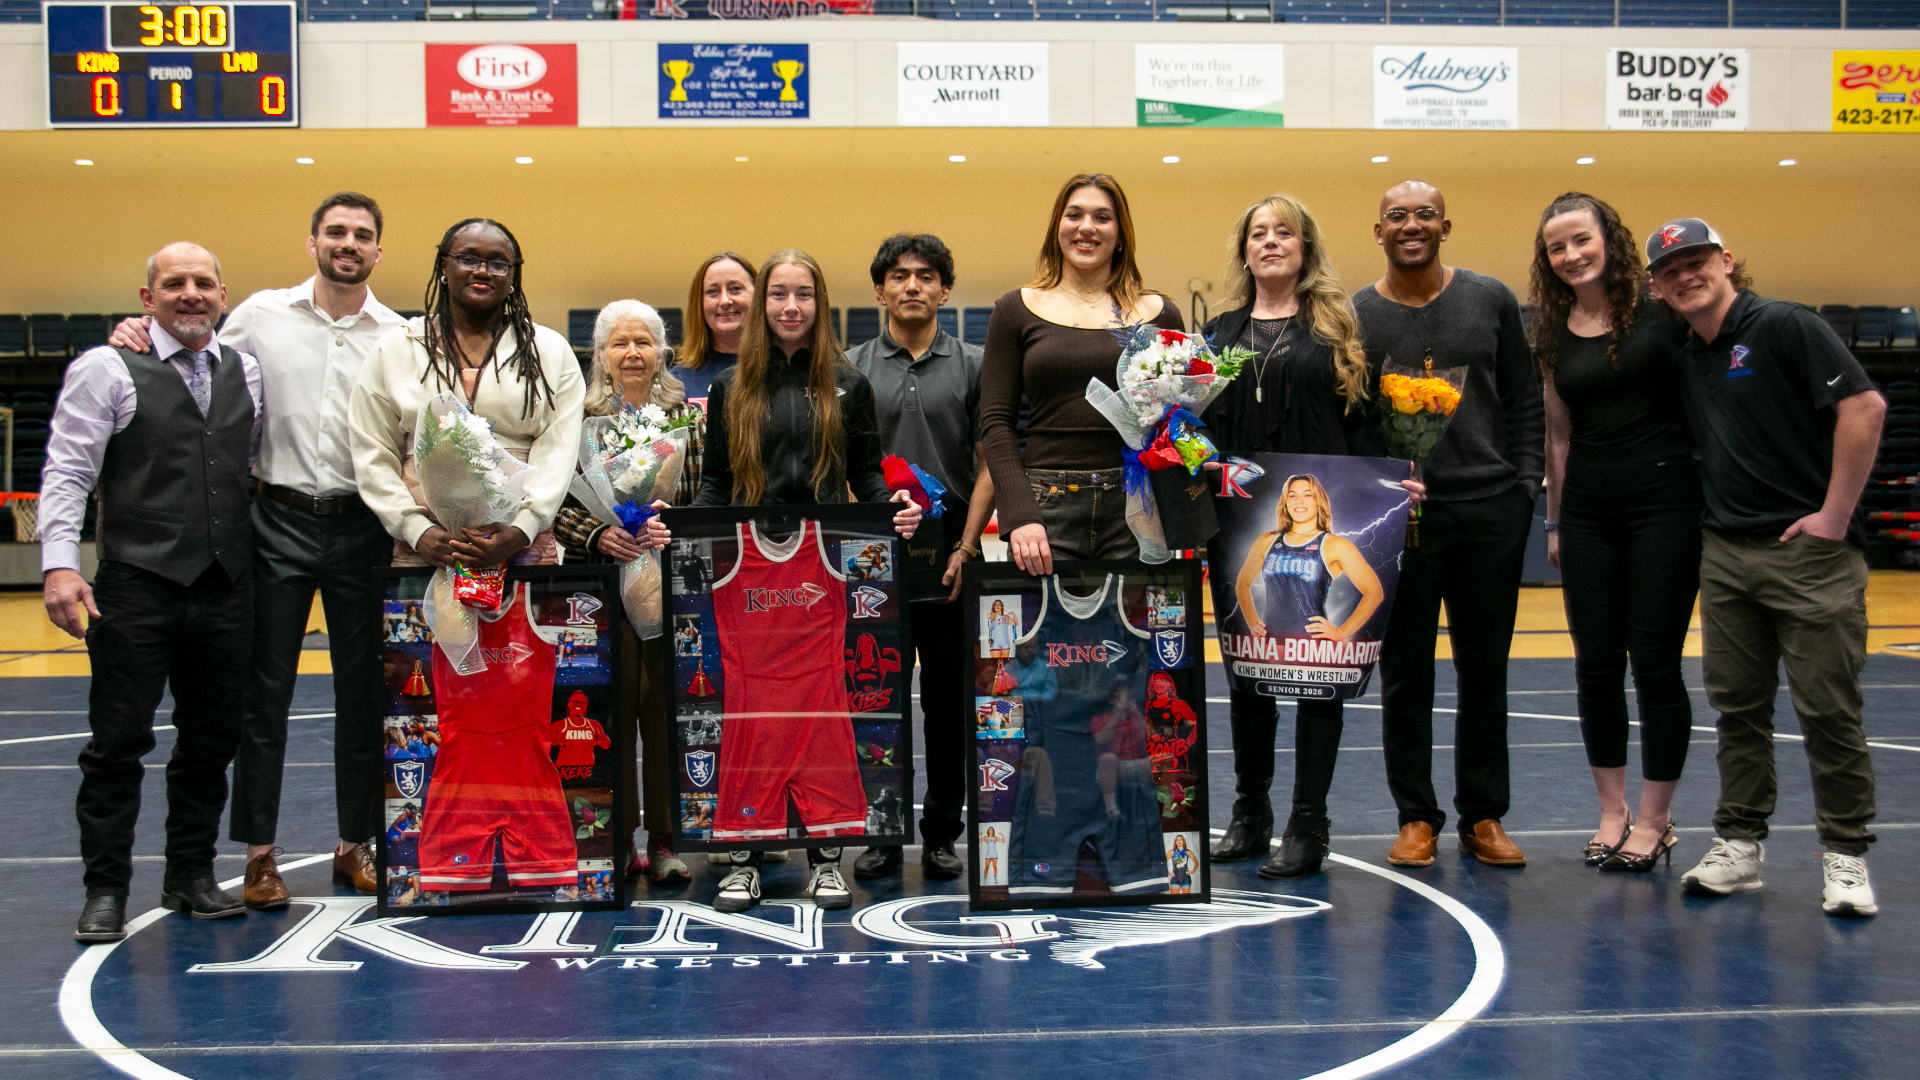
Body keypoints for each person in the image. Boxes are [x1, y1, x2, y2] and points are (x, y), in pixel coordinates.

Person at [106, 192, 406, 909]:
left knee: (363, 695)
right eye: (335, 231)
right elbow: (193, 352)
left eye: (362, 235)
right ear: (312, 243)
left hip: (363, 525)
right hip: (274, 521)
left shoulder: (400, 335)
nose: (348, 243)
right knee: (262, 696)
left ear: (378, 251)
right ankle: (260, 855)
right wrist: (135, 328)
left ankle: (356, 843)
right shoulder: (259, 316)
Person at [1647, 219, 1887, 917]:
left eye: (1696, 261)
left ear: (1726, 261)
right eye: (1670, 271)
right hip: (1727, 552)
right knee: (1738, 710)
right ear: (1657, 289)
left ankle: (1846, 854)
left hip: (1809, 554)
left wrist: (1834, 517)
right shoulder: (1687, 354)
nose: (1685, 276)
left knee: (1828, 710)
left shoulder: (1785, 325)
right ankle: (1739, 843)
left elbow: (1865, 408)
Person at [691, 248, 923, 914]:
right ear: (763, 304)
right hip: (749, 571)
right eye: (779, 294)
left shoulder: (849, 385)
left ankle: (826, 861)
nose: (791, 307)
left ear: (820, 304)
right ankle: (744, 861)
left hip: (821, 569)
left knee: (821, 712)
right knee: (753, 715)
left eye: (804, 295)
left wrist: (893, 507)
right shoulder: (730, 388)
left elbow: (867, 474)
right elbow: (715, 484)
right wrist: (676, 523)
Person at [44, 242, 264, 941]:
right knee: (117, 742)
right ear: (148, 299)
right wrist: (59, 565)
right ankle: (106, 889)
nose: (190, 293)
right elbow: (68, 471)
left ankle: (190, 874)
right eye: (174, 284)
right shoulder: (105, 367)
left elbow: (242, 463)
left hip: (225, 585)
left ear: (223, 295)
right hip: (135, 583)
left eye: (203, 283)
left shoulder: (246, 372)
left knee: (210, 741)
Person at [1202, 193, 1417, 880]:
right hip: (1241, 521)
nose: (1270, 241)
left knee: (1320, 679)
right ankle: (1250, 814)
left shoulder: (1337, 329)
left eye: (1284, 232)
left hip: (1322, 514)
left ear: (1305, 248)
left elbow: (1364, 424)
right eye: (1258, 233)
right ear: (1245, 251)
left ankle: (1308, 823)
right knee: (1249, 673)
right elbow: (1196, 429)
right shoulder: (1219, 335)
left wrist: (1394, 482)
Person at [1353, 180, 1543, 869]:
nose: (1412, 224)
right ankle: (1416, 816)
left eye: (1425, 214)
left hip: (1489, 510)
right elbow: (1352, 418)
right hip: (1401, 520)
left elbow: (1525, 399)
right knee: (1405, 675)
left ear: (1446, 226)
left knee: (1484, 671)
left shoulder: (1489, 299)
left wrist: (1524, 487)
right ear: (1379, 230)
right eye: (1397, 215)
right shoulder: (1356, 314)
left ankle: (1483, 814)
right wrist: (1375, 491)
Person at [1529, 193, 1700, 873]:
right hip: (1589, 510)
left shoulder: (1663, 310)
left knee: (1655, 664)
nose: (1571, 255)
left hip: (1666, 503)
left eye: (1582, 240)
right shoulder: (1554, 330)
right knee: (1596, 665)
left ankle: (1656, 820)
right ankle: (1612, 811)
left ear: (1610, 240)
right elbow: (1558, 435)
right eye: (1557, 247)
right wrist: (1556, 519)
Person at [845, 233, 994, 883]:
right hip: (872, 557)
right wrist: (864, 530)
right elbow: (840, 464)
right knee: (876, 702)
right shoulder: (850, 367)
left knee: (948, 705)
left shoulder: (975, 364)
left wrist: (967, 546)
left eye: (926, 276)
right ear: (879, 290)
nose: (912, 285)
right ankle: (881, 832)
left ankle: (940, 834)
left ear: (945, 290)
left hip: (952, 556)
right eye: (899, 276)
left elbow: (990, 463)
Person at [349, 217, 584, 572]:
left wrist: (523, 527)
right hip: (426, 544)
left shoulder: (549, 350)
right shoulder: (397, 348)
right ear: (444, 266)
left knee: (521, 614)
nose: (483, 271)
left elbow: (559, 450)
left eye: (498, 263)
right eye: (468, 258)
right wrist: (414, 528)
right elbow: (372, 451)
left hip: (519, 543)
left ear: (513, 276)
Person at [980, 173, 1185, 574]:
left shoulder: (1161, 314)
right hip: (1045, 508)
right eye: (1074, 215)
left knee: (1135, 617)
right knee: (1046, 618)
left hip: (1137, 503)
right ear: (1057, 227)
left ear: (1120, 234)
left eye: (1102, 217)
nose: (1086, 227)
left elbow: (1177, 419)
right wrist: (1019, 514)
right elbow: (996, 422)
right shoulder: (1014, 309)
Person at [552, 300, 691, 886]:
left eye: (643, 342)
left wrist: (669, 524)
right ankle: (610, 838)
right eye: (619, 343)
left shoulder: (686, 418)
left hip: (668, 587)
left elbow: (706, 494)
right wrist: (598, 533)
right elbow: (553, 501)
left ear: (661, 353)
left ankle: (663, 840)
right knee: (603, 713)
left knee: (661, 714)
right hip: (599, 588)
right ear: (601, 356)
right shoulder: (576, 418)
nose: (632, 353)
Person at [672, 251, 757, 410]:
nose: (724, 301)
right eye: (712, 292)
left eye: (736, 288)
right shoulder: (677, 381)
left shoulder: (782, 370)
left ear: (758, 296)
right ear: (699, 303)